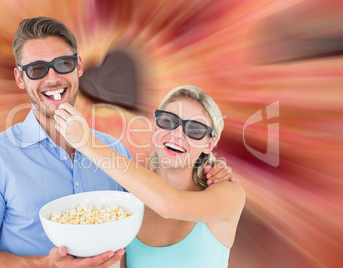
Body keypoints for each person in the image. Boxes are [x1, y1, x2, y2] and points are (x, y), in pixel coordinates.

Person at [0, 17, 234, 268]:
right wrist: (44, 264)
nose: (52, 78)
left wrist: (208, 172)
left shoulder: (116, 152)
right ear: (20, 77)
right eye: (37, 69)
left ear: (79, 67)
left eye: (62, 64)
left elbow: (163, 206)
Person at [54, 85, 246, 267]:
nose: (177, 134)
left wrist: (87, 143)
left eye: (195, 129)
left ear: (209, 145)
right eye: (168, 121)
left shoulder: (229, 194)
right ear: (156, 128)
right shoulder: (128, 205)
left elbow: (168, 205)